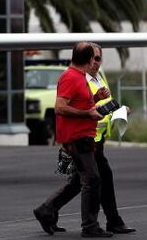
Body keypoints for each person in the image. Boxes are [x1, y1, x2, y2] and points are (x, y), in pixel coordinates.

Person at [33, 42, 112, 238]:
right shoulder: (71, 77)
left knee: (79, 181)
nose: (96, 62)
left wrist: (95, 97)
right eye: (94, 58)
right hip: (77, 137)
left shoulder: (79, 77)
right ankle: (90, 226)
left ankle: (46, 209)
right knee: (92, 179)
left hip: (82, 135)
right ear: (88, 59)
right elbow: (60, 107)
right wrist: (88, 113)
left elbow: (78, 100)